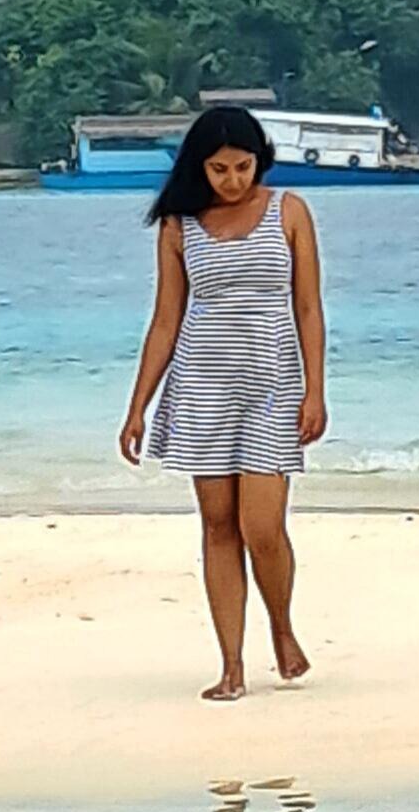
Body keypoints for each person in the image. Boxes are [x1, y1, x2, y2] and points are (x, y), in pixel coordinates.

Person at [118, 104, 329, 700]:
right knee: (217, 526)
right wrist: (138, 407)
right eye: (219, 170)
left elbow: (308, 308)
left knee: (262, 526)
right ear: (199, 168)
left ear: (259, 159)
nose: (233, 180)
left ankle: (283, 631)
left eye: (242, 167)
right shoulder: (178, 226)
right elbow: (165, 320)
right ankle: (232, 667)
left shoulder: (289, 212)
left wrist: (316, 390)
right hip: (202, 388)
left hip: (273, 385)